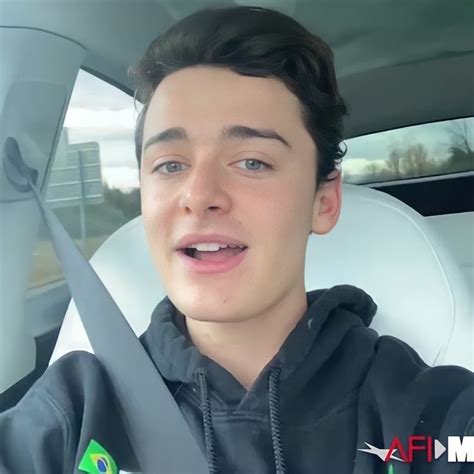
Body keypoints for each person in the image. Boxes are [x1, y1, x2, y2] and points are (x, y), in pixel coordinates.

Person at [1, 6, 473, 474]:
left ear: (324, 202)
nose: (198, 196)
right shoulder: (74, 411)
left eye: (252, 162)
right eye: (170, 164)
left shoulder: (427, 415)